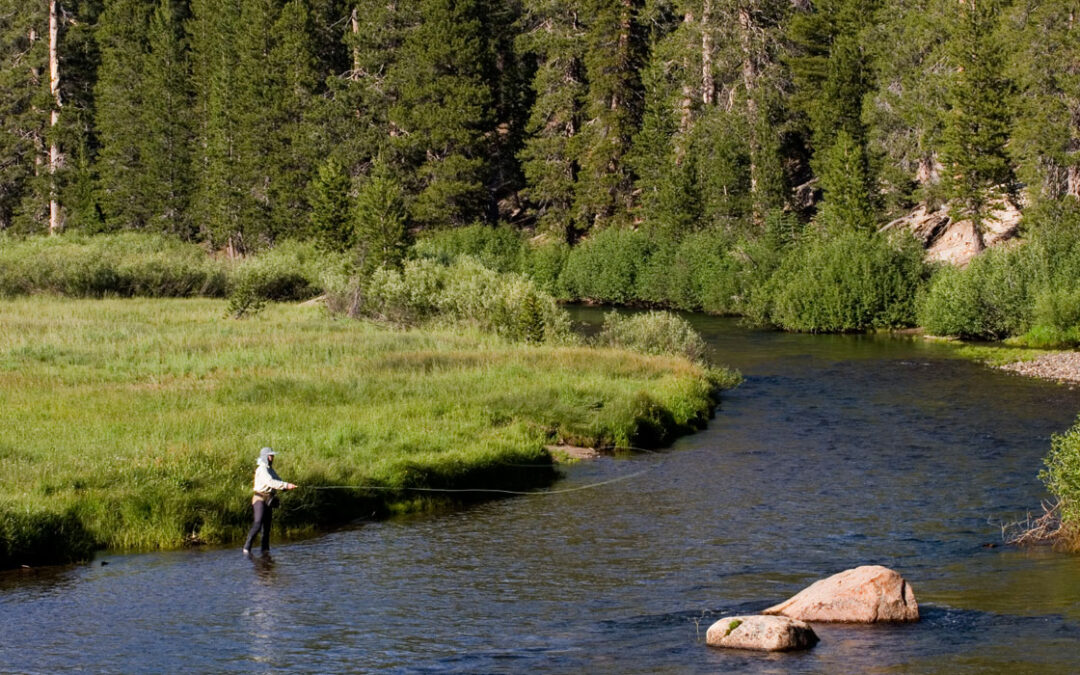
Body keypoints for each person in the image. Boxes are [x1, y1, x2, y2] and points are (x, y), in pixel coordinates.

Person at [243, 447, 297, 555]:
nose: (272, 457)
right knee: (258, 523)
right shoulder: (262, 469)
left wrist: (285, 487)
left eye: (272, 455)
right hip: (259, 499)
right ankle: (246, 548)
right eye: (271, 455)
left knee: (267, 528)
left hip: (268, 500)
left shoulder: (270, 469)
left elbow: (277, 480)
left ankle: (265, 551)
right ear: (266, 457)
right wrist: (286, 485)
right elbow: (270, 482)